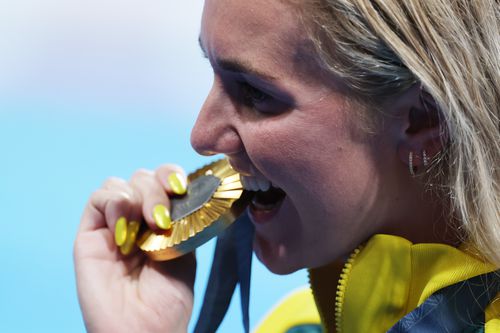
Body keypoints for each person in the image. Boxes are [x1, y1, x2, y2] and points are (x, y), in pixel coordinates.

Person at [74, 0, 500, 332]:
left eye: (255, 94)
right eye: (213, 73)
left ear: (422, 119)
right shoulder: (293, 325)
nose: (201, 136)